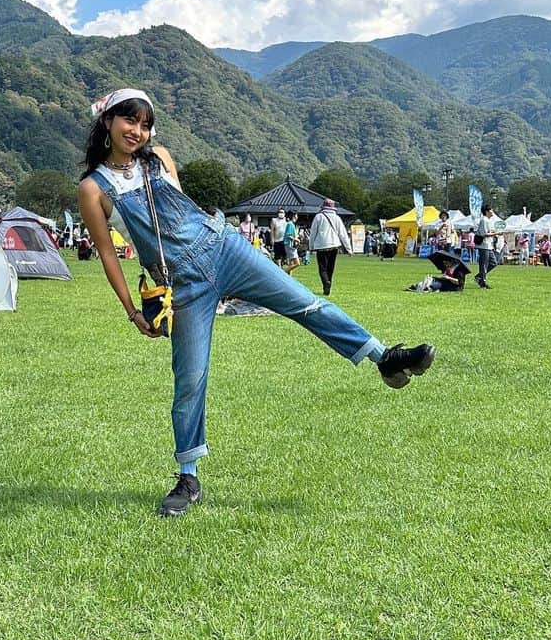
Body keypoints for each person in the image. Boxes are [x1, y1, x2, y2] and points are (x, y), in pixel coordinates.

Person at [77, 88, 436, 517]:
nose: (138, 131)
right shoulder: (92, 188)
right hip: (184, 283)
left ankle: (385, 358)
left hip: (224, 246)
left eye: (145, 123)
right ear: (108, 121)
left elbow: (181, 214)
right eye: (129, 121)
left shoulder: (161, 158)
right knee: (190, 377)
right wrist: (133, 312)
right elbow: (107, 255)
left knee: (304, 302)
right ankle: (188, 477)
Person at [309, 199, 352, 296]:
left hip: (321, 245)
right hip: (334, 245)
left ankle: (325, 283)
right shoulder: (337, 218)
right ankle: (329, 285)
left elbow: (313, 233)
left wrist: (311, 246)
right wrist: (348, 249)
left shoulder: (318, 217)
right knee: (330, 268)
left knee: (322, 268)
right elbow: (343, 234)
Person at [474, 204, 501, 288]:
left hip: (489, 246)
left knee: (494, 263)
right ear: (487, 211)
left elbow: (488, 231)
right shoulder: (484, 220)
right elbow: (484, 234)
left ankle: (479, 276)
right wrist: (496, 233)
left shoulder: (488, 220)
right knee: (484, 265)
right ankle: (483, 282)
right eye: (491, 210)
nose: (492, 211)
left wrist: (494, 232)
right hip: (483, 246)